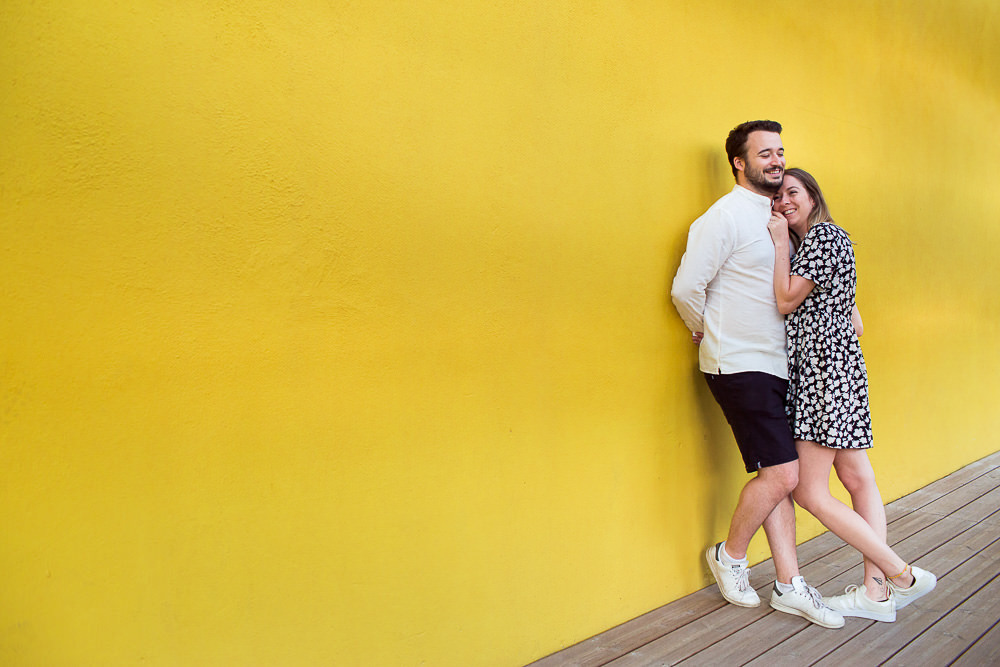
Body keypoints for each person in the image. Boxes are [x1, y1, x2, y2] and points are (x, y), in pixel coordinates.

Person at [671, 122, 843, 629]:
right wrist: (705, 332)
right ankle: (730, 555)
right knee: (783, 474)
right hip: (740, 364)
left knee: (778, 474)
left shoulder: (780, 218)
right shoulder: (722, 218)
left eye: (780, 152)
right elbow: (686, 288)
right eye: (764, 153)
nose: (775, 160)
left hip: (780, 365)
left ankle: (789, 584)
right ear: (738, 163)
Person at [767, 168, 937, 622]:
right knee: (859, 480)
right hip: (842, 372)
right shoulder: (832, 242)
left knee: (809, 493)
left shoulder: (820, 238)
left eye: (793, 194)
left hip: (822, 375)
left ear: (812, 196)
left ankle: (899, 574)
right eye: (778, 197)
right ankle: (876, 594)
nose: (784, 203)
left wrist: (780, 242)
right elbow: (857, 323)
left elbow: (785, 301)